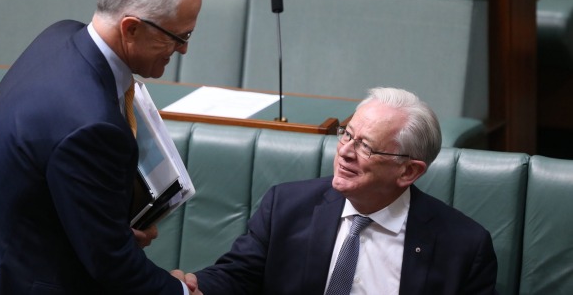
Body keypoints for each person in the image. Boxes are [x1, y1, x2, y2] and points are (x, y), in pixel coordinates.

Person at [0, 0, 205, 294]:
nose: (184, 50)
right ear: (130, 28)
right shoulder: (90, 124)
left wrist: (107, 224)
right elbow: (111, 263)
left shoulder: (59, 37)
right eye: (180, 37)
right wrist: (177, 291)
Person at [189, 87, 498, 294]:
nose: (345, 152)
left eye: (366, 146)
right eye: (347, 135)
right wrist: (186, 287)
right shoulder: (285, 206)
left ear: (409, 171)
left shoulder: (463, 247)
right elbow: (236, 277)